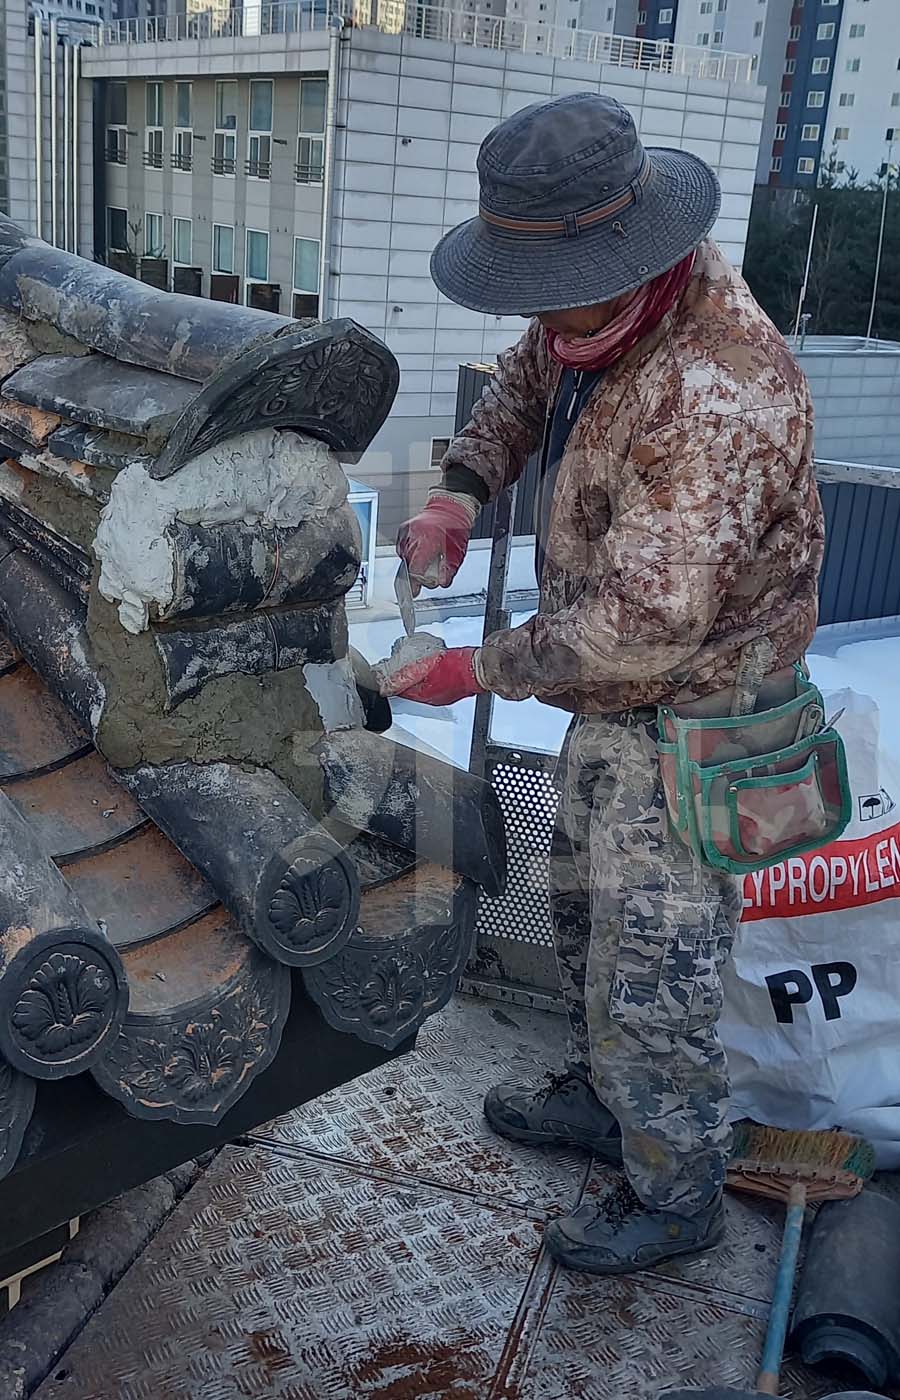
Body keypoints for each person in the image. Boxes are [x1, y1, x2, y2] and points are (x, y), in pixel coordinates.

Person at [382, 92, 823, 1276]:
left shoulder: (719, 391)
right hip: (610, 698)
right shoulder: (593, 316)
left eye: (548, 289)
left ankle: (675, 1188)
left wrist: (476, 665)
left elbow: (645, 623)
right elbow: (527, 382)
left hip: (693, 713)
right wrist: (461, 490)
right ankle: (603, 1096)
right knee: (585, 921)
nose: (535, 312)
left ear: (623, 259)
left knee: (653, 973)